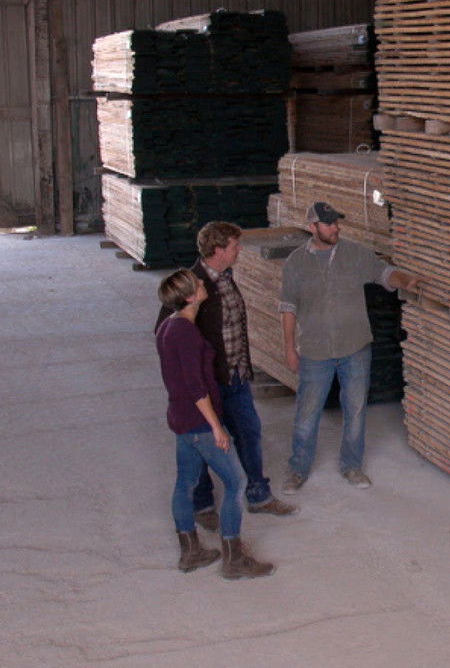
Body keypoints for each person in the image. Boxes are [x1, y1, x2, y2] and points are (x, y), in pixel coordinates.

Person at [155, 222, 297, 532]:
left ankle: (258, 495)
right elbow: (164, 331)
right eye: (235, 246)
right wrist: (195, 368)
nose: (239, 250)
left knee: (249, 433)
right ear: (218, 250)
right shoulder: (191, 285)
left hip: (236, 375)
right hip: (210, 383)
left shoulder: (227, 277)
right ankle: (203, 504)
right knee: (203, 444)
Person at [279, 201, 421, 493]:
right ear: (312, 227)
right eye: (329, 224)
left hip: (355, 347)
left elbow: (383, 273)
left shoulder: (355, 254)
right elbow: (288, 307)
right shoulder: (296, 262)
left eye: (336, 223)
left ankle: (352, 466)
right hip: (315, 351)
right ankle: (298, 469)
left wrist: (404, 279)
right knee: (307, 414)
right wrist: (290, 348)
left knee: (355, 411)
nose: (336, 228)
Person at [155, 269, 274, 580]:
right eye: (197, 284)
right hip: (199, 424)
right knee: (236, 482)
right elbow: (196, 388)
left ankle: (190, 552)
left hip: (180, 418)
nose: (202, 282)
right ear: (190, 297)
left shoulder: (167, 326)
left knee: (186, 483)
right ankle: (234, 559)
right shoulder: (187, 333)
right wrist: (216, 428)